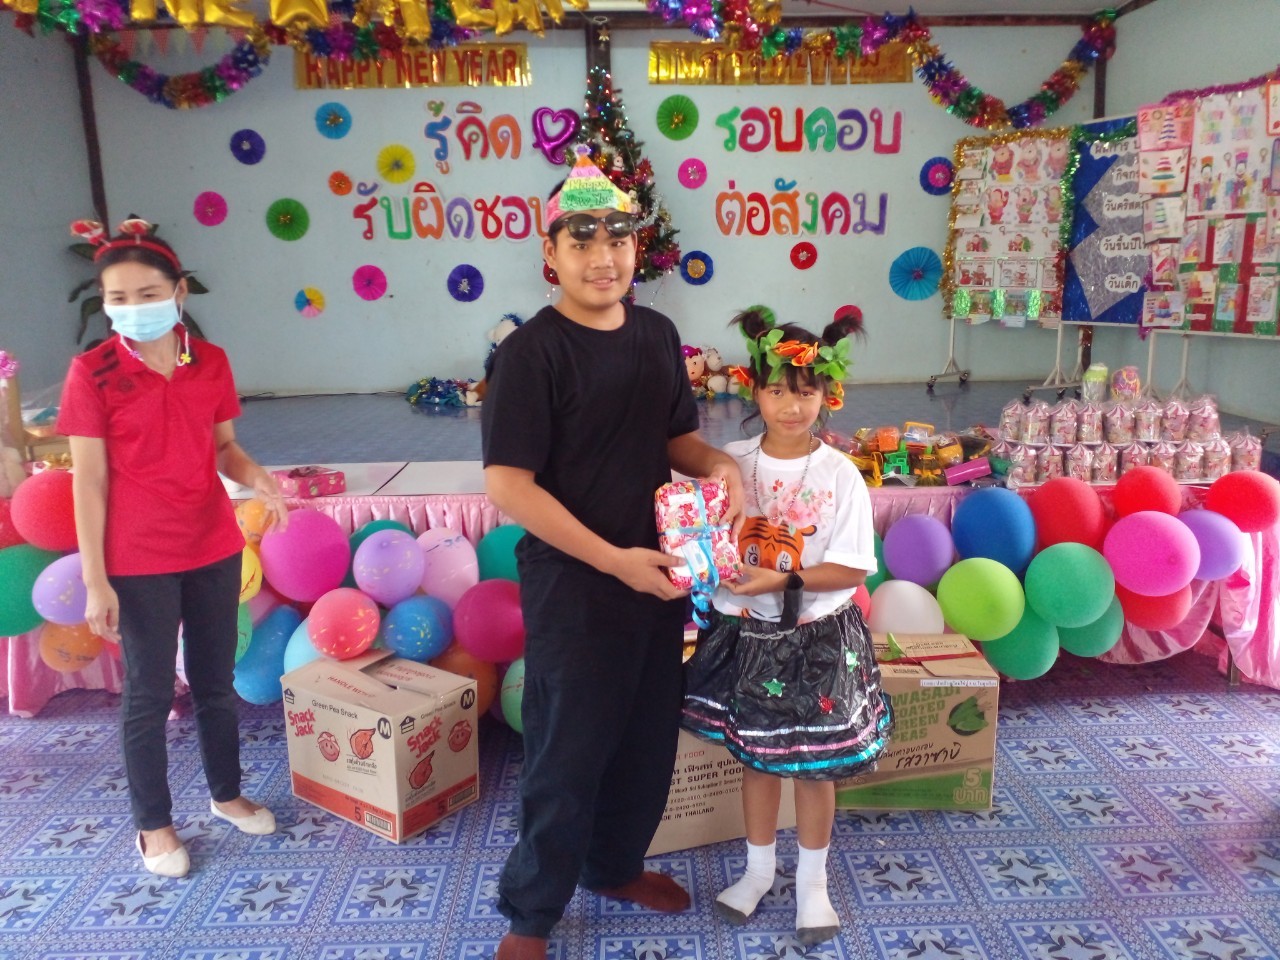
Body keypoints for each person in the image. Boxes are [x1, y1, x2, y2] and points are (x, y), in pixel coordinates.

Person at [481, 147, 744, 959]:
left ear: (637, 247)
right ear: (550, 252)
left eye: (618, 239)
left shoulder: (658, 335)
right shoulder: (530, 354)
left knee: (644, 739)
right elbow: (509, 486)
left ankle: (615, 865)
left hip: (658, 575)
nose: (603, 256)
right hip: (575, 584)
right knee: (567, 750)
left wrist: (721, 464)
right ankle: (531, 913)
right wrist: (611, 559)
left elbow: (677, 440)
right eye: (583, 240)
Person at [58, 218, 288, 878]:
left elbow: (225, 448)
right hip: (137, 559)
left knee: (216, 683)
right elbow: (89, 482)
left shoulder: (209, 362)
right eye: (118, 298)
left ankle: (226, 794)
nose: (133, 308)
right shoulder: (92, 372)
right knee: (150, 693)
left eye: (148, 293)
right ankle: (153, 826)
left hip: (212, 544)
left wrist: (258, 477)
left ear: (179, 292)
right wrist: (96, 579)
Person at [681, 306, 893, 945]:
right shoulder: (731, 462)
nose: (792, 406)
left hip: (816, 639)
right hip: (746, 635)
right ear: (755, 391)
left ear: (828, 394)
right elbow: (702, 536)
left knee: (815, 767)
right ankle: (757, 872)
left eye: (805, 392)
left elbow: (852, 566)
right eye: (777, 391)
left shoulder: (840, 474)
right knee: (759, 758)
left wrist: (782, 580)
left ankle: (812, 886)